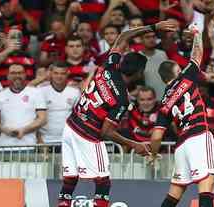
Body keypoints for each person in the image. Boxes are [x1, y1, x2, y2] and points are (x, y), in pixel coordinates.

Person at [57, 20, 177, 207]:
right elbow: (106, 132)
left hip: (70, 126)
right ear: (138, 73)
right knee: (103, 182)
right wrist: (133, 144)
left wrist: (153, 27)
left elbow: (123, 36)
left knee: (70, 177)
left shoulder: (108, 66)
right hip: (86, 135)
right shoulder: (121, 98)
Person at [148, 25, 214, 207]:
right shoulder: (186, 77)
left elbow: (156, 136)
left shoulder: (163, 101)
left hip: (182, 145)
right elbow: (197, 54)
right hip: (199, 135)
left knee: (175, 192)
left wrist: (153, 154)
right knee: (207, 184)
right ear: (177, 71)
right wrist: (197, 34)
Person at [0, 63, 47, 146]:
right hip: (4, 146)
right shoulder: (0, 95)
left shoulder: (36, 93)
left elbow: (42, 119)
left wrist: (24, 130)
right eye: (13, 73)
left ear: (25, 75)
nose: (17, 75)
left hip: (29, 145)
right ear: (7, 76)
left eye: (20, 73)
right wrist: (6, 131)